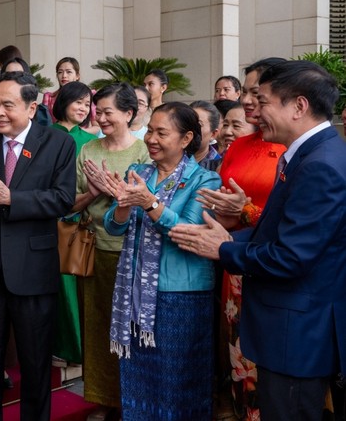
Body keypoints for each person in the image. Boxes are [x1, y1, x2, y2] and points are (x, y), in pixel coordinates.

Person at [170, 60, 346, 421]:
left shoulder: (321, 165)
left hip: (297, 333)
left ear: (299, 106)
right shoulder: (310, 154)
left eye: (263, 101)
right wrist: (230, 235)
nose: (254, 111)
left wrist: (223, 249)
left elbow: (291, 256)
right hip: (289, 327)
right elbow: (282, 228)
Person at [0, 71, 77, 420]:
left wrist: (11, 198)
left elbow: (63, 199)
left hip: (33, 273)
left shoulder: (58, 144)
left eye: (8, 105)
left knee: (36, 366)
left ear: (31, 106)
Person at [102, 102, 221, 420]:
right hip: (135, 295)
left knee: (179, 382)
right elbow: (114, 227)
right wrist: (124, 205)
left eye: (161, 133)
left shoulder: (205, 181)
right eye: (150, 131)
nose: (151, 138)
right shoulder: (139, 173)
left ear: (186, 139)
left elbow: (190, 233)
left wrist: (150, 202)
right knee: (140, 381)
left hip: (180, 297)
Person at [194, 58, 286, 420]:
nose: (247, 100)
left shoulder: (289, 148)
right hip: (232, 259)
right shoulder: (239, 145)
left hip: (271, 261)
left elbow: (290, 221)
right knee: (235, 352)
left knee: (271, 363)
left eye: (255, 92)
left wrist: (245, 211)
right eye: (245, 91)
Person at [71, 83, 150, 421]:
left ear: (129, 114)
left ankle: (132, 399)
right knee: (99, 327)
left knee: (131, 331)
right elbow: (69, 204)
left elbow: (150, 204)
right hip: (95, 250)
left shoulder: (145, 151)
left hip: (134, 254)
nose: (100, 118)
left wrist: (116, 191)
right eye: (96, 111)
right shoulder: (88, 150)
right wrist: (92, 193)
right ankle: (104, 399)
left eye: (108, 112)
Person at [49, 81, 96, 368]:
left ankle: (83, 351)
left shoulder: (91, 140)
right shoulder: (45, 135)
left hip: (84, 220)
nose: (82, 108)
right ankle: (64, 347)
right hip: (52, 220)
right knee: (60, 286)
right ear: (63, 102)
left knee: (81, 289)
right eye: (77, 101)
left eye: (86, 103)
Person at [190, 100, 222, 171]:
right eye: (188, 122)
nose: (191, 128)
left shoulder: (218, 166)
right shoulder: (170, 159)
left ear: (213, 134)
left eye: (199, 124)